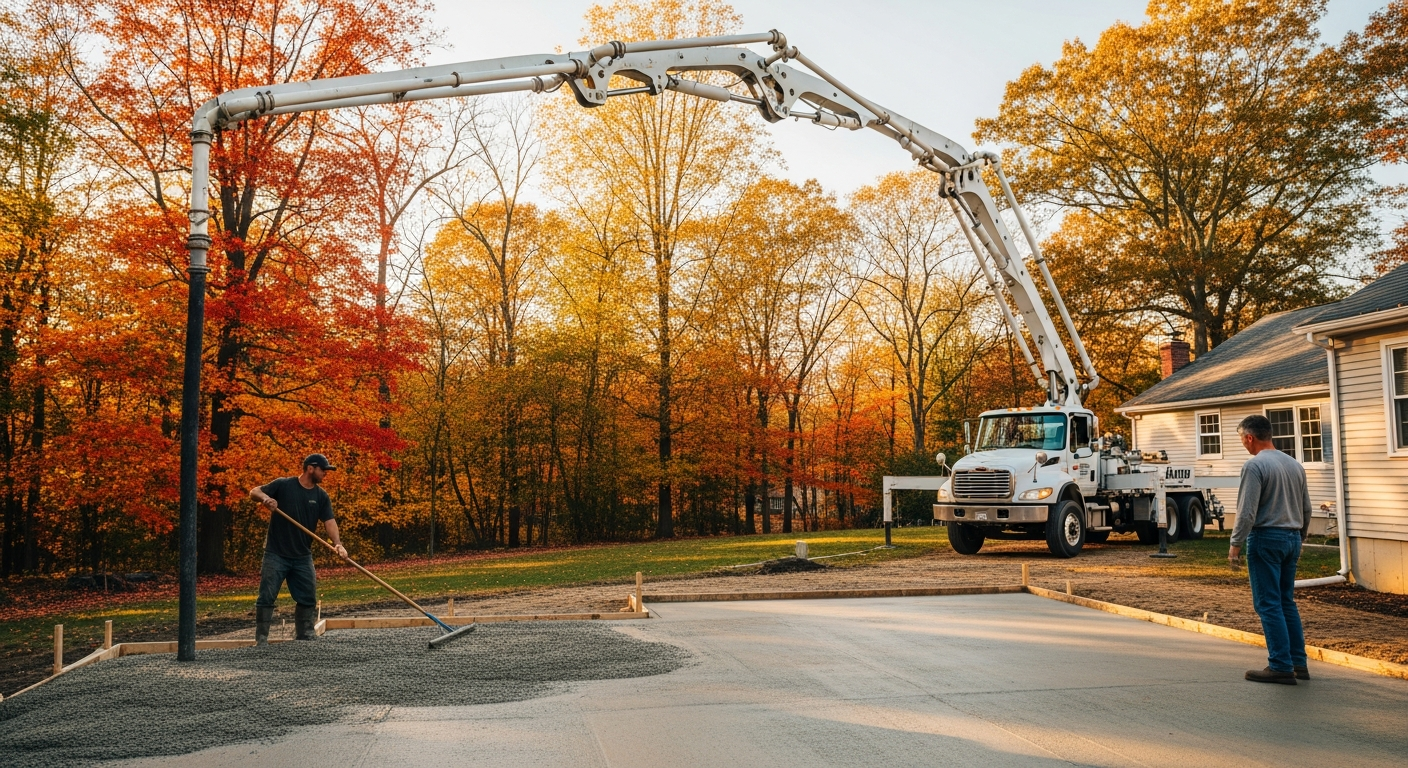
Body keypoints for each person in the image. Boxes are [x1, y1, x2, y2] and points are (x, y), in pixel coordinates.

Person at [1228, 414, 1312, 684]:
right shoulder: (1294, 465)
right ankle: (1298, 663)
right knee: (1286, 601)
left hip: (1265, 538)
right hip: (1291, 537)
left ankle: (1280, 666)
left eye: (1242, 439)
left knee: (1268, 603)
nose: (1243, 444)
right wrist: (1300, 537)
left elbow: (1247, 511)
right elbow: (1306, 508)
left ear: (1249, 437)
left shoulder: (1255, 466)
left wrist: (1235, 546)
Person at [248, 453, 347, 645]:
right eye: (323, 470)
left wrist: (338, 544)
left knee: (308, 596)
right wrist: (266, 499)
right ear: (311, 468)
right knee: (267, 596)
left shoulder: (321, 496)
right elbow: (254, 491)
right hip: (276, 553)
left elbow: (329, 521)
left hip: (302, 556)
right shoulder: (284, 485)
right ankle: (261, 640)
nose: (326, 473)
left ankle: (305, 635)